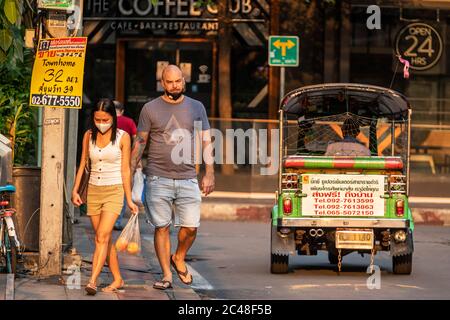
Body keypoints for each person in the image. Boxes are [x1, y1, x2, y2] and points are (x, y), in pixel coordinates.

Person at [130, 65, 215, 290]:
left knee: (191, 227)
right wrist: (128, 174)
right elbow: (140, 142)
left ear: (184, 81)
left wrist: (209, 172)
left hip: (188, 177)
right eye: (170, 82)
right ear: (162, 83)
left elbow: (206, 141)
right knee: (162, 227)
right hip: (158, 178)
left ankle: (178, 256)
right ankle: (167, 274)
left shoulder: (197, 107)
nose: (174, 85)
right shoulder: (150, 109)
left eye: (178, 81)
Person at [72, 98, 139, 295]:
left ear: (113, 118)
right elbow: (83, 164)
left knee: (102, 236)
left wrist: (129, 198)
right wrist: (75, 190)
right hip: (93, 190)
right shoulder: (88, 135)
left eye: (105, 119)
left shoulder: (123, 137)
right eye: (97, 119)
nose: (101, 123)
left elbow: (125, 170)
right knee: (103, 239)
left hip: (114, 190)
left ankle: (93, 280)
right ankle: (118, 278)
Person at [113, 100, 137, 231]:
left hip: (109, 160)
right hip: (125, 160)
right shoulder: (129, 121)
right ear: (122, 111)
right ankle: (116, 221)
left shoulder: (106, 120)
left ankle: (108, 218)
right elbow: (136, 138)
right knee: (122, 189)